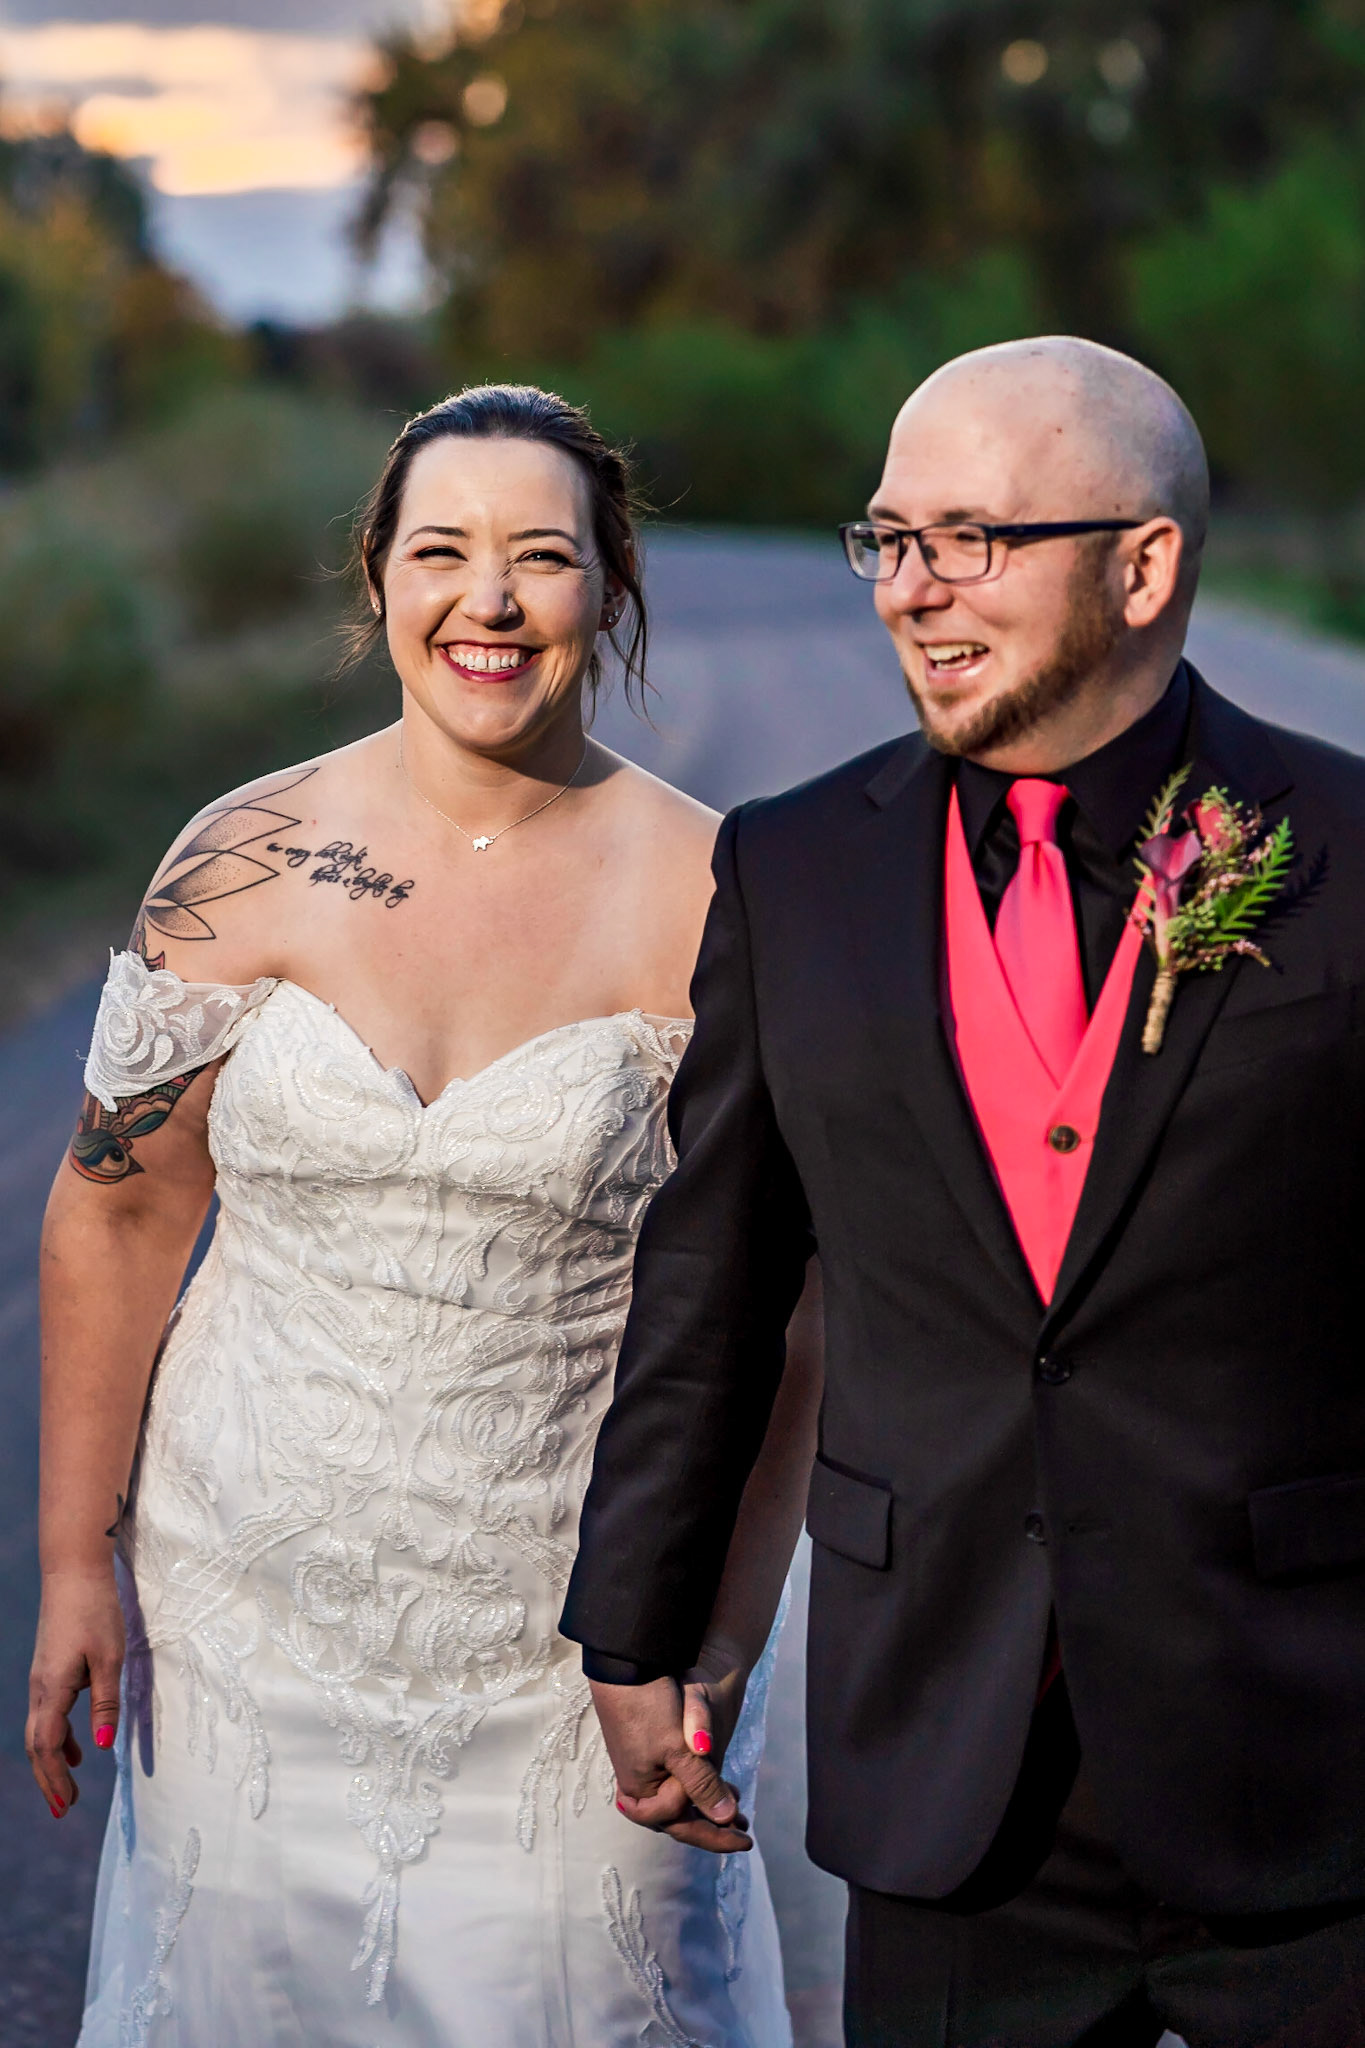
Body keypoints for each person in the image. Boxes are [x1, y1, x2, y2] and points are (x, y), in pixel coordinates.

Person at [562, 336, 1365, 2047]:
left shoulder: (1348, 853)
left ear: (1140, 565)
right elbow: (712, 1278)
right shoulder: (792, 867)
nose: (910, 592)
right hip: (949, 1764)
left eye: (970, 541)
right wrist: (635, 1627)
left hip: (1307, 1753)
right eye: (885, 540)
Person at [26, 383, 819, 2048]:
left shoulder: (722, 897)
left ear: (611, 588)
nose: (490, 600)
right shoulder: (238, 860)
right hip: (245, 1619)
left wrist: (724, 1634)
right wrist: (70, 1562)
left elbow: (783, 1317)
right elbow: (116, 1218)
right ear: (374, 576)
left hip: (577, 1645)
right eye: (442, 551)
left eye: (542, 557)